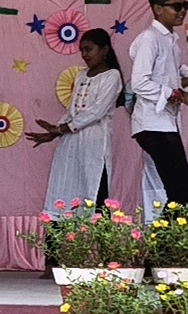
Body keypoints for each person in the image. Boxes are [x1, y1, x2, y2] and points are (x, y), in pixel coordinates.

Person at [30, 27, 124, 210]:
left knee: (94, 185)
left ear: (104, 50)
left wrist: (63, 128)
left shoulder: (112, 76)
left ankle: (95, 228)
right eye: (82, 50)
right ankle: (61, 227)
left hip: (94, 142)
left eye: (88, 49)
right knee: (66, 185)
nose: (84, 55)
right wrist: (55, 131)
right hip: (71, 141)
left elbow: (96, 112)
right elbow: (71, 110)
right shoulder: (81, 75)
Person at [128, 0, 188, 213]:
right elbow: (140, 83)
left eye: (185, 6)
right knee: (183, 191)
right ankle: (161, 236)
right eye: (177, 6)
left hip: (166, 123)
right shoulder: (150, 38)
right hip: (151, 123)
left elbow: (173, 77)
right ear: (158, 9)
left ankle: (163, 236)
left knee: (180, 192)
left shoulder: (171, 40)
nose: (182, 11)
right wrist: (181, 96)